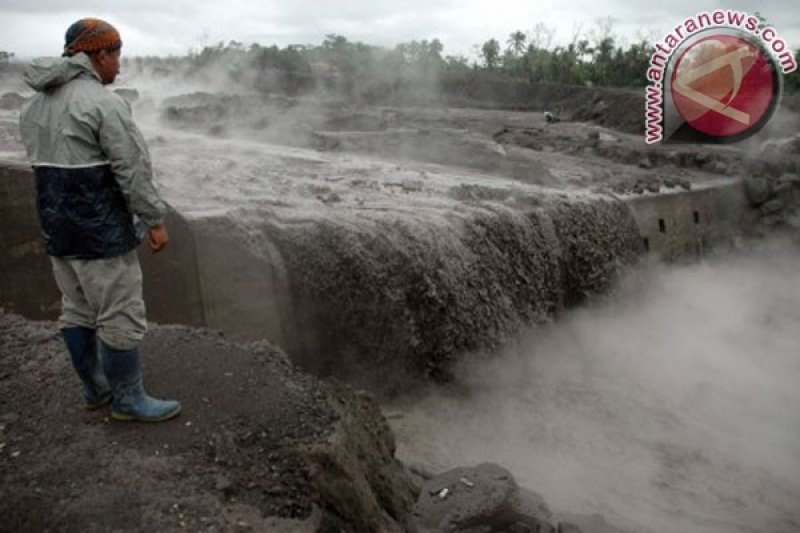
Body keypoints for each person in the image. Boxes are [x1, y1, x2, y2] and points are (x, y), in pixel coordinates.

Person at [19, 18, 181, 422]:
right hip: (99, 230)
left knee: (76, 308)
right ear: (100, 54)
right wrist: (154, 219)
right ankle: (128, 400)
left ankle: (95, 389)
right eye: (117, 56)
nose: (120, 67)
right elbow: (132, 169)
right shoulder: (103, 104)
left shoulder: (34, 104)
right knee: (119, 311)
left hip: (58, 230)